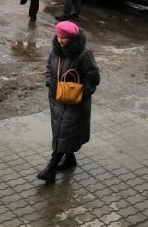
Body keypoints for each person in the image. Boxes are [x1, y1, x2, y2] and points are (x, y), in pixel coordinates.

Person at [36, 20, 100, 183]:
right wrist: (50, 83)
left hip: (75, 104)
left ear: (71, 38)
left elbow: (93, 78)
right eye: (58, 36)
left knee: (63, 133)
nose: (60, 40)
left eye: (63, 38)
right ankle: (70, 158)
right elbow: (49, 68)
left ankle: (50, 169)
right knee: (61, 133)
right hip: (56, 100)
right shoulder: (55, 51)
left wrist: (81, 95)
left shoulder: (84, 54)